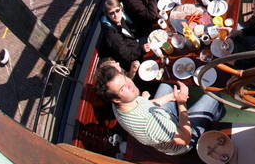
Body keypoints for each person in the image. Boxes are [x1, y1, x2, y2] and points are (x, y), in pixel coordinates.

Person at [94, 65, 224, 156]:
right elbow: (184, 139)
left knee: (165, 85)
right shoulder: (149, 125)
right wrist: (181, 103)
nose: (130, 85)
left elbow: (145, 105)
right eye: (123, 88)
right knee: (213, 95)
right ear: (116, 99)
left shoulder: (119, 104)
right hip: (182, 140)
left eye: (125, 79)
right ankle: (215, 115)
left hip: (163, 117)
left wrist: (171, 97)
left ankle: (206, 114)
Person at [99, 0, 150, 72]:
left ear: (120, 8)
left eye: (117, 10)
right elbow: (127, 56)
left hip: (137, 43)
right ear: (107, 15)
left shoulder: (122, 17)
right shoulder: (111, 34)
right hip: (134, 60)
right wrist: (141, 49)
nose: (116, 15)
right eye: (111, 13)